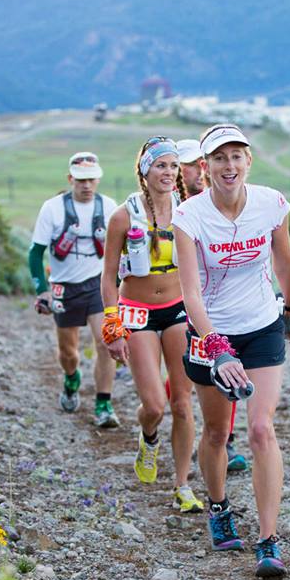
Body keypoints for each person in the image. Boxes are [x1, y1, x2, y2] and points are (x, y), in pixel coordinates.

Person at [173, 123, 290, 578]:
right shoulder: (189, 216)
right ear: (204, 166)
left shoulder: (271, 203)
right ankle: (218, 506)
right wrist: (217, 348)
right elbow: (190, 293)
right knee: (216, 432)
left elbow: (285, 262)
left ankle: (268, 540)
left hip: (262, 325)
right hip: (211, 332)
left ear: (249, 160)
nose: (229, 166)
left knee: (262, 429)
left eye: (236, 156)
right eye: (219, 158)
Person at [100, 137, 203, 514]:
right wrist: (112, 323)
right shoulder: (123, 216)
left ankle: (182, 485)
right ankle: (148, 436)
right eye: (161, 165)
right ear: (145, 171)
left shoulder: (188, 211)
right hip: (137, 311)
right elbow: (108, 275)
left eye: (174, 166)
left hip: (177, 309)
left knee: (183, 403)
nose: (169, 172)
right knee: (155, 406)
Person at [29, 152, 119, 427]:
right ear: (70, 179)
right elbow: (35, 253)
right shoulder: (52, 209)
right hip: (63, 287)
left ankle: (104, 404)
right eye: (81, 180)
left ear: (98, 179)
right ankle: (71, 378)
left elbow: (122, 249)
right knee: (68, 352)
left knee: (105, 342)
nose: (86, 185)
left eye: (91, 179)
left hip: (97, 285)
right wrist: (42, 290)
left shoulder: (110, 207)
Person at [177, 138, 248, 473]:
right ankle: (183, 422)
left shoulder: (223, 198)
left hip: (211, 304)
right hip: (175, 300)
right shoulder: (170, 205)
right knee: (181, 382)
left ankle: (223, 439)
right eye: (187, 165)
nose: (193, 172)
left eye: (196, 164)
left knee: (225, 367)